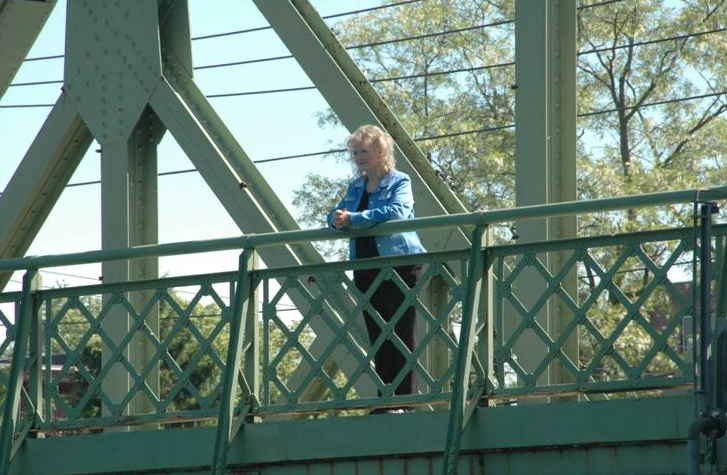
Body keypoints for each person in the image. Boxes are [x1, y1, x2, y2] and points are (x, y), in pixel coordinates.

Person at [326, 124, 426, 412]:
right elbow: (334, 215)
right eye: (355, 152)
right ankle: (386, 399)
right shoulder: (356, 186)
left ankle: (406, 402)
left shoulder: (399, 181)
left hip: (399, 263)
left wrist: (354, 218)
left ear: (380, 151)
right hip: (366, 265)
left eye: (363, 151)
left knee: (401, 331)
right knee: (378, 333)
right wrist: (338, 219)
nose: (358, 157)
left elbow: (398, 211)